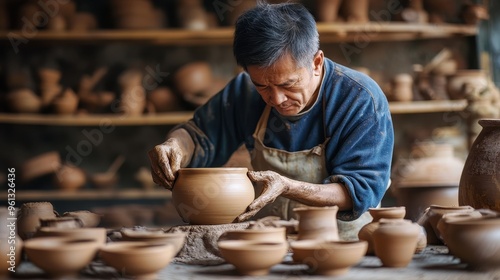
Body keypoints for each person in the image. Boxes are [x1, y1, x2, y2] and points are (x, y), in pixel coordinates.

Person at [148, 2, 394, 238]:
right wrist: (175, 145)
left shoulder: (360, 99)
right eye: (262, 85)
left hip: (343, 246)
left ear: (316, 63)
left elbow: (358, 192)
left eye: (288, 84)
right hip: (271, 242)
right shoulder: (244, 92)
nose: (276, 98)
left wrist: (287, 186)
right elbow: (199, 135)